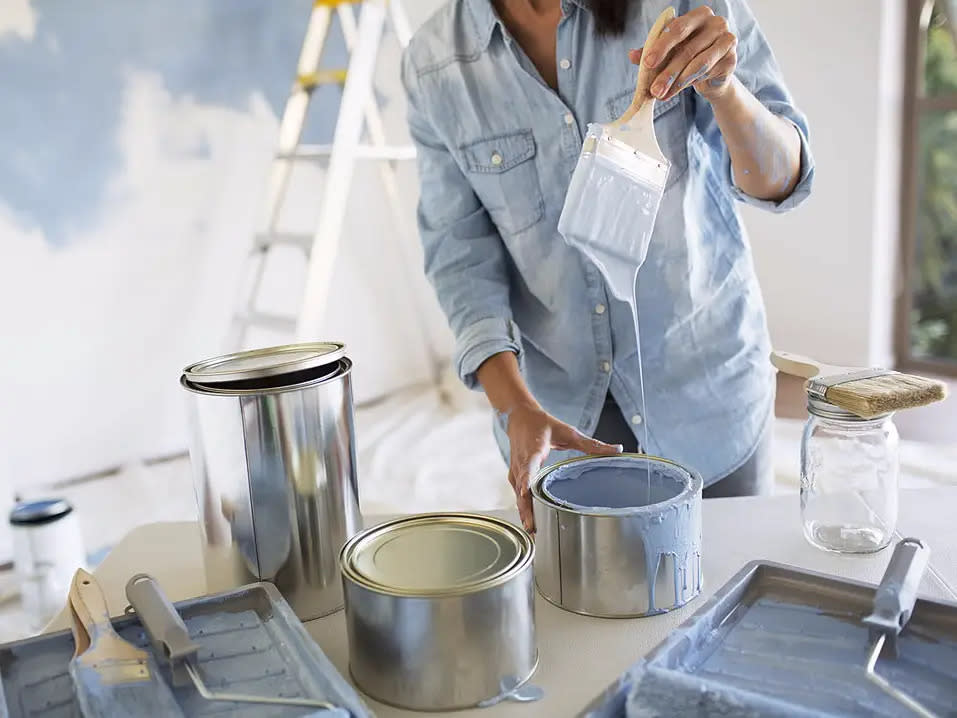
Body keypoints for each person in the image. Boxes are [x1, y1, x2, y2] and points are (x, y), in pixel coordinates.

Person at [400, 0, 814, 531]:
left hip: (708, 402)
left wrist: (724, 91)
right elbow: (460, 256)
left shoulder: (678, 6)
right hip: (562, 428)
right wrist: (513, 405)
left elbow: (782, 180)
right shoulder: (433, 64)